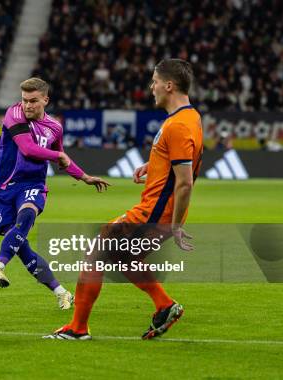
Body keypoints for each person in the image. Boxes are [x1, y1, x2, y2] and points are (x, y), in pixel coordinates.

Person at [45, 59, 203, 340]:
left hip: (155, 213)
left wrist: (176, 225)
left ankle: (78, 328)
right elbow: (180, 161)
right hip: (159, 210)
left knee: (96, 254)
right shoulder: (190, 117)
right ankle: (164, 305)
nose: (151, 87)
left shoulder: (177, 125)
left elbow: (185, 182)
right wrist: (153, 164)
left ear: (169, 85)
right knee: (123, 256)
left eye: (154, 81)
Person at [0, 78, 110, 310]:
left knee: (26, 216)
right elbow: (28, 148)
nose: (27, 106)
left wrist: (84, 177)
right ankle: (61, 292)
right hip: (5, 188)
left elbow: (62, 158)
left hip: (33, 184)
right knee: (21, 246)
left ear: (45, 100)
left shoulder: (55, 127)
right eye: (24, 100)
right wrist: (57, 156)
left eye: (33, 101)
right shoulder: (14, 113)